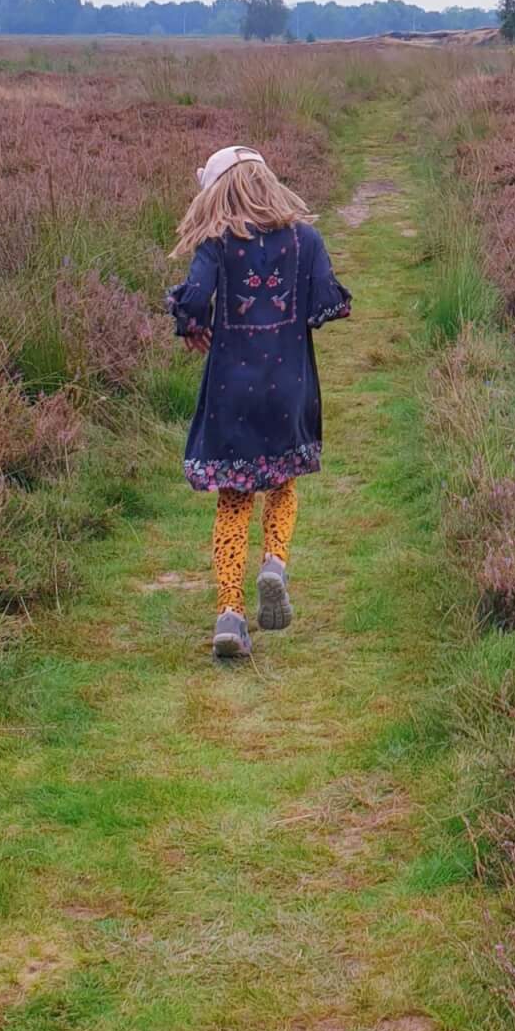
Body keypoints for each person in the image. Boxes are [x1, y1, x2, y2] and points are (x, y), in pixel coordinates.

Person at [166, 145, 352, 659]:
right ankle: (273, 564)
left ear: (218, 190)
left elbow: (194, 299)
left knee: (233, 499)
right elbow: (325, 304)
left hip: (230, 389)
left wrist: (192, 325)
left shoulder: (217, 244)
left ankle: (230, 614)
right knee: (282, 485)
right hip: (288, 385)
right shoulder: (304, 237)